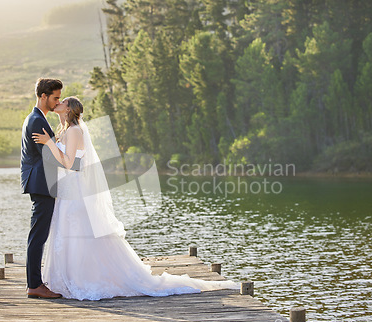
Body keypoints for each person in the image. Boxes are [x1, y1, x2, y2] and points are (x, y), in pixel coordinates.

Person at [32, 96, 239, 300]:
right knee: (68, 232)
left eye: (62, 102)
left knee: (79, 232)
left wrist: (50, 143)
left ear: (69, 109)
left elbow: (70, 163)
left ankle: (87, 278)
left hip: (76, 191)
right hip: (68, 190)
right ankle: (69, 276)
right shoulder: (68, 129)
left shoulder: (76, 131)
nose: (57, 103)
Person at [20, 78, 64, 299]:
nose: (57, 102)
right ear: (43, 96)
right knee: (38, 235)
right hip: (42, 183)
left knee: (38, 234)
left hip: (41, 182)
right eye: (55, 97)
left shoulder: (36, 118)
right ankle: (35, 285)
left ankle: (34, 282)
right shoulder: (37, 121)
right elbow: (51, 157)